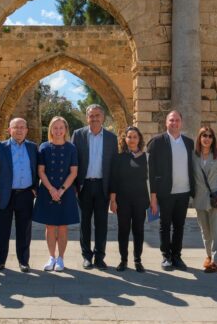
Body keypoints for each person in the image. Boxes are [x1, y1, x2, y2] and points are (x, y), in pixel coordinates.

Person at [0, 118, 38, 273]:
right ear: (9, 130)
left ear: (27, 130)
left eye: (22, 127)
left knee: (24, 230)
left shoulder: (33, 148)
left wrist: (35, 188)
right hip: (4, 195)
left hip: (26, 195)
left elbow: (38, 169)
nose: (19, 130)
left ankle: (23, 261)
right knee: (2, 230)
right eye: (16, 127)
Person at [146, 110, 196, 271]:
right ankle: (166, 256)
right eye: (171, 120)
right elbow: (151, 171)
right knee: (165, 225)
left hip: (184, 191)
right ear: (166, 122)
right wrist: (153, 196)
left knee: (180, 226)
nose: (174, 123)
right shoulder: (157, 142)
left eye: (177, 120)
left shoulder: (188, 143)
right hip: (165, 192)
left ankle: (177, 256)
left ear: (181, 122)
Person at [72, 104, 117, 270]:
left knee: (101, 223)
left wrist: (113, 193)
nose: (95, 118)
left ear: (103, 117)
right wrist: (74, 187)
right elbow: (73, 161)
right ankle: (86, 256)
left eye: (98, 115)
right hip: (84, 186)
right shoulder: (78, 135)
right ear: (87, 117)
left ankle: (99, 257)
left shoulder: (111, 138)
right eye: (91, 115)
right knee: (84, 223)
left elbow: (113, 167)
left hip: (102, 186)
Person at [33, 117, 79, 272]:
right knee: (50, 226)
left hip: (65, 192)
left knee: (63, 227)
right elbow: (41, 171)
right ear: (50, 130)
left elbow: (73, 172)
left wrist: (61, 190)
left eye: (61, 128)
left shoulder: (71, 148)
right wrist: (52, 189)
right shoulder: (44, 147)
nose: (58, 131)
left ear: (65, 130)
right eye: (55, 128)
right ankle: (51, 257)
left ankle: (61, 258)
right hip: (47, 191)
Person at [109, 126, 150, 272]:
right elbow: (114, 180)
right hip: (123, 200)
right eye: (129, 137)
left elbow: (150, 180)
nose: (132, 140)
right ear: (124, 139)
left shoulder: (146, 158)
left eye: (135, 137)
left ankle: (137, 260)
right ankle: (123, 260)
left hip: (140, 200)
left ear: (139, 139)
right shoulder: (119, 158)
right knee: (123, 230)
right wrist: (113, 201)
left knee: (139, 230)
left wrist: (152, 200)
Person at [192, 126, 217, 273]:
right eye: (204, 136)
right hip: (200, 198)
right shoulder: (193, 156)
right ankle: (208, 256)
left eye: (210, 136)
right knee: (205, 230)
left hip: (216, 197)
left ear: (213, 139)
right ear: (199, 138)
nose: (207, 139)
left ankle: (216, 259)